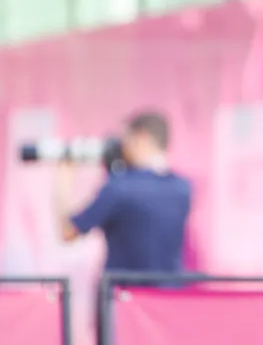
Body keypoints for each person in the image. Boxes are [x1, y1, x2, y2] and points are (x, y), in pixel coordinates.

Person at [57, 110, 192, 281]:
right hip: (168, 294)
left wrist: (64, 177)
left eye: (125, 138)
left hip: (123, 294)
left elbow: (68, 231)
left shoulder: (119, 188)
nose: (121, 147)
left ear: (142, 137)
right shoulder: (183, 189)